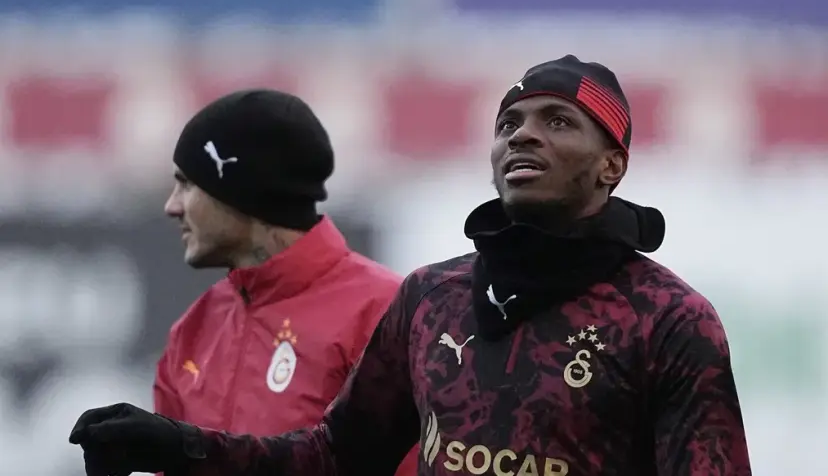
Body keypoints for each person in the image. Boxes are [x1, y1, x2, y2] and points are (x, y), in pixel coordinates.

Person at [69, 56, 752, 476]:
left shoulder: (669, 322)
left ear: (612, 166)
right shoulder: (432, 297)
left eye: (557, 121)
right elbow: (333, 459)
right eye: (509, 123)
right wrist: (179, 447)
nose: (523, 134)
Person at [152, 89, 416, 475]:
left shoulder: (385, 314)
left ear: (241, 190)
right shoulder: (192, 330)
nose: (172, 205)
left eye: (187, 184)